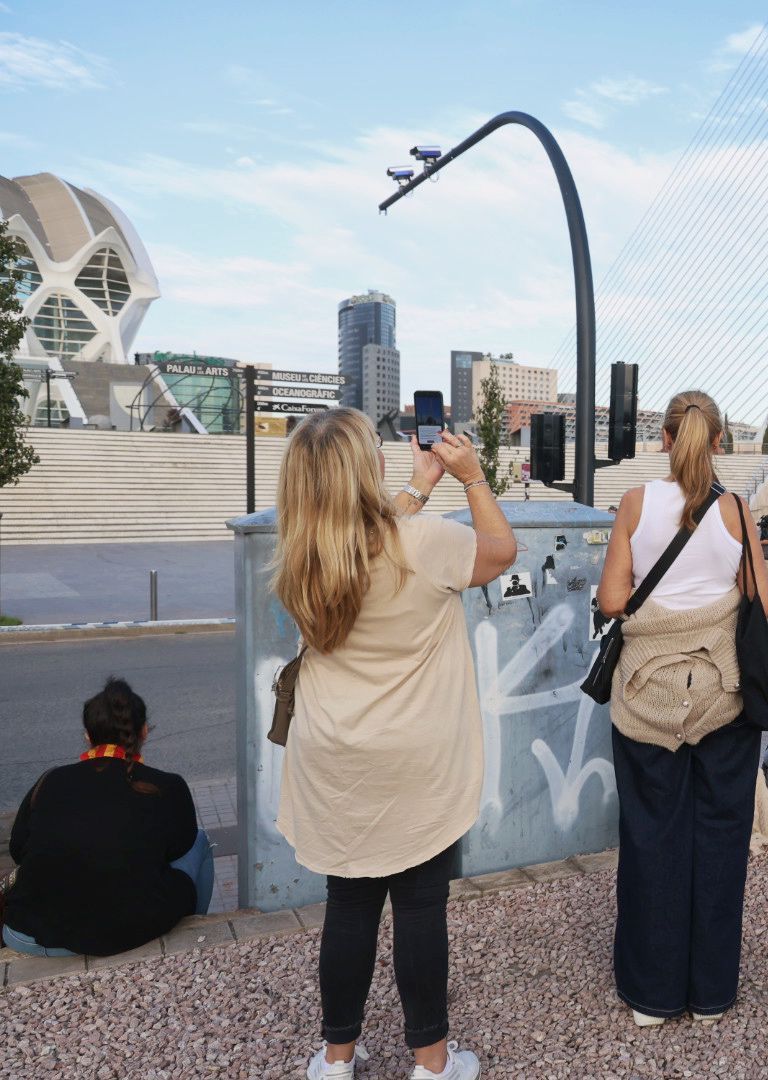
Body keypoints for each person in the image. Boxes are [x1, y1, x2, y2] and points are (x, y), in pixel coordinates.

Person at [274, 409, 515, 1080]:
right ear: (367, 470)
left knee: (347, 903)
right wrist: (470, 478)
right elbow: (498, 552)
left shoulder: (300, 553)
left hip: (334, 757)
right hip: (415, 759)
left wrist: (419, 487)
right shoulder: (426, 542)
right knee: (419, 906)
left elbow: (365, 539)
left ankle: (335, 1059)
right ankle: (432, 1064)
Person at [598, 390, 768, 1026]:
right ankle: (711, 994)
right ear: (718, 441)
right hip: (722, 694)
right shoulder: (734, 510)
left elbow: (613, 599)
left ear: (664, 440)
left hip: (647, 696)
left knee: (651, 839)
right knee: (720, 840)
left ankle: (653, 995)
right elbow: (763, 602)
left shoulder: (637, 503)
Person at [4, 678, 212, 959]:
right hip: (133, 931)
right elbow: (180, 847)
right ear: (144, 731)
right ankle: (189, 940)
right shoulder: (168, 785)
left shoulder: (50, 781)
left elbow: (18, 850)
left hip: (30, 934)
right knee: (199, 840)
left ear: (88, 737)